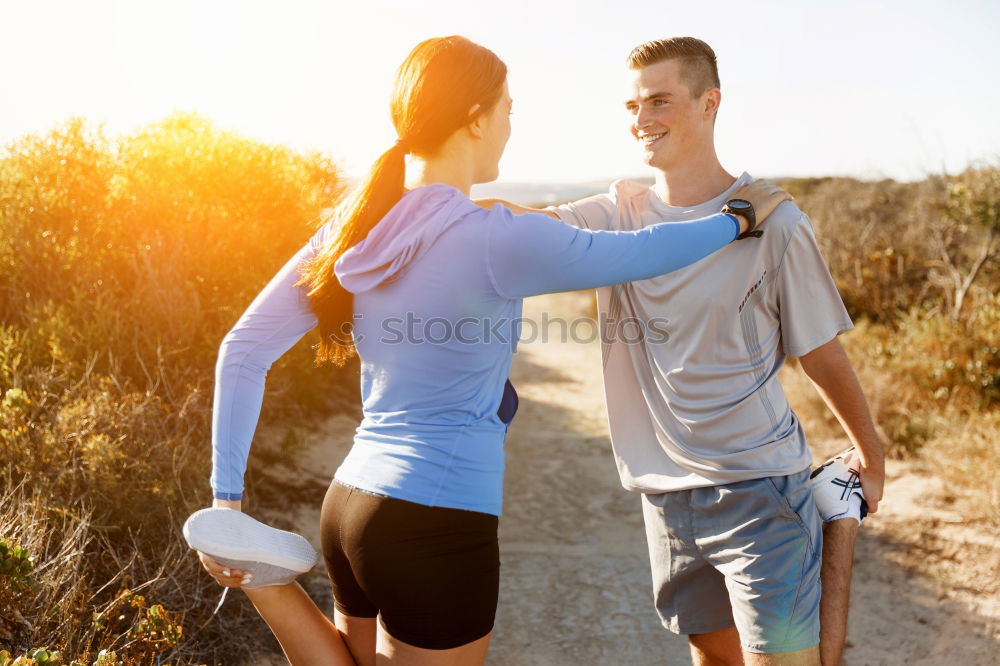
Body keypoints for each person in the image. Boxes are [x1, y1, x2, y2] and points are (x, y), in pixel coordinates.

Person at [185, 35, 792, 666]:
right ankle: (272, 582)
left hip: (350, 503)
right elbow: (645, 253)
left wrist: (225, 501)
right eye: (507, 108)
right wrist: (740, 218)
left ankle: (272, 582)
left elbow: (244, 348)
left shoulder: (358, 223)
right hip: (435, 517)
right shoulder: (492, 236)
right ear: (476, 118)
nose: (508, 126)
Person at [479, 37, 884, 666]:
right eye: (633, 104)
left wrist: (870, 452)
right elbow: (521, 224)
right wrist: (431, 204)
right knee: (714, 660)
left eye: (660, 100)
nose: (642, 119)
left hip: (759, 490)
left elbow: (821, 352)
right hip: (666, 497)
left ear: (708, 103)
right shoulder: (619, 212)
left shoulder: (775, 221)